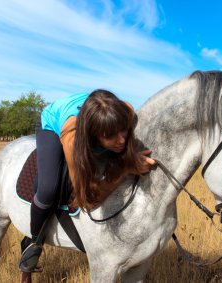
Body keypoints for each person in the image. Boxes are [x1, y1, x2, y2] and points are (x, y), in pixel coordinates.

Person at [19, 89, 156, 272]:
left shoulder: (127, 111)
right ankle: (34, 240)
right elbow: (87, 200)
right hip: (52, 123)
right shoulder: (72, 138)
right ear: (93, 135)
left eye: (124, 130)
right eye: (111, 136)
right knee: (47, 189)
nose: (122, 140)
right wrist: (126, 168)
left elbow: (123, 135)